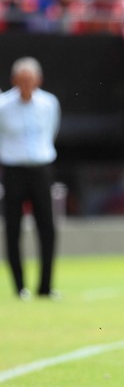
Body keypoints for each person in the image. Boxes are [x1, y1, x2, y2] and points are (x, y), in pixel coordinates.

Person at [0, 57, 60, 301]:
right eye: (22, 79)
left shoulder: (49, 103)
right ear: (14, 80)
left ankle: (45, 287)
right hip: (13, 171)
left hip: (41, 170)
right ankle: (19, 287)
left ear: (38, 80)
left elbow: (52, 132)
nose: (26, 83)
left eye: (30, 79)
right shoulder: (3, 106)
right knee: (13, 229)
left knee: (47, 228)